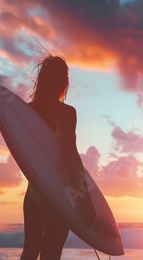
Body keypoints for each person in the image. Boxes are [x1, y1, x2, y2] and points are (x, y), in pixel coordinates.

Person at [20, 55, 96, 260]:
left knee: (30, 251)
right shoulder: (67, 113)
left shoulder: (26, 112)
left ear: (42, 79)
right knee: (51, 253)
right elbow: (72, 158)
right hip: (61, 196)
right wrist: (86, 202)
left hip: (34, 194)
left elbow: (24, 155)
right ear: (64, 82)